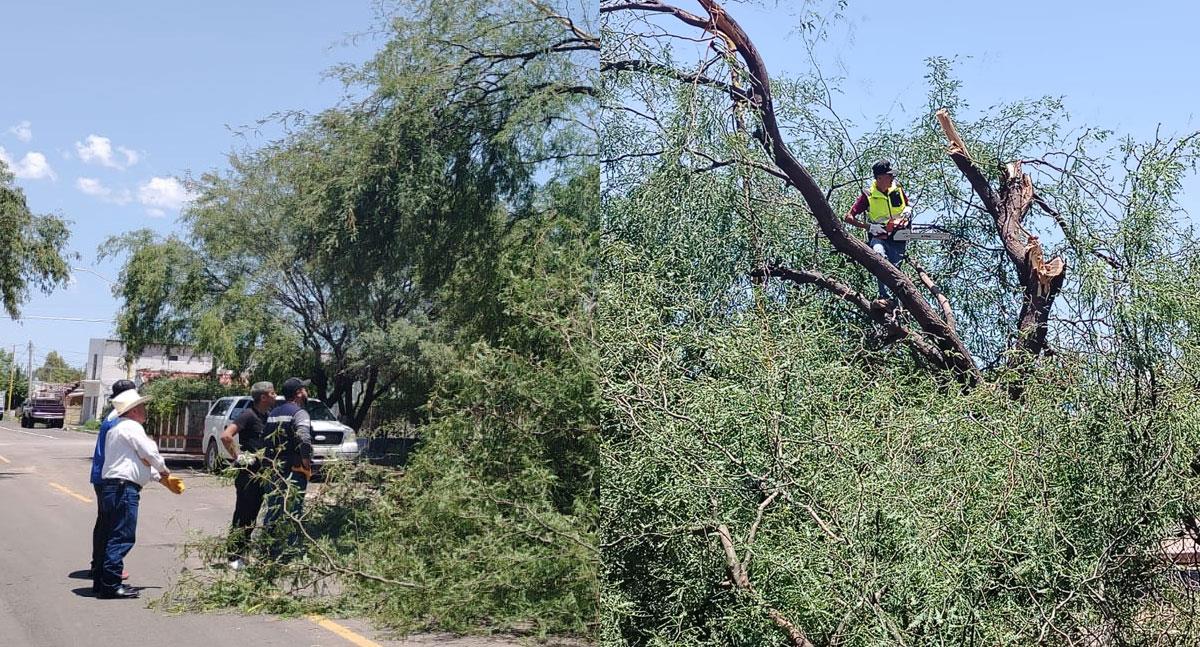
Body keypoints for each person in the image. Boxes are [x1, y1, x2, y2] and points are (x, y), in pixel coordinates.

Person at [95, 388, 171, 599]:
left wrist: (157, 475)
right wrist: (164, 470)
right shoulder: (132, 427)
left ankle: (101, 581)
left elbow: (136, 461)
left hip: (111, 486)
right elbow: (148, 453)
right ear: (134, 410)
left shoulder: (116, 430)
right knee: (121, 536)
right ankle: (111, 584)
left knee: (110, 534)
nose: (145, 411)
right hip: (124, 488)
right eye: (142, 407)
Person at [220, 380, 275, 569]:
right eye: (272, 393)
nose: (275, 396)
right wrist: (238, 456)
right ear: (263, 397)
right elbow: (226, 436)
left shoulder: (267, 415)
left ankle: (242, 553)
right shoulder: (248, 415)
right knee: (243, 514)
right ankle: (233, 555)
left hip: (262, 474)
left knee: (253, 515)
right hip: (248, 474)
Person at [843, 159, 913, 303]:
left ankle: (895, 303)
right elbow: (848, 217)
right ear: (879, 178)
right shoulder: (868, 195)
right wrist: (869, 227)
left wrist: (907, 211)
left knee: (895, 269)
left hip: (899, 236)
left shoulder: (897, 187)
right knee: (879, 257)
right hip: (879, 236)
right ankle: (883, 297)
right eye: (889, 175)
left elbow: (907, 204)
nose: (892, 178)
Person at [89, 379, 136, 587]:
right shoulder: (118, 418)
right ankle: (106, 568)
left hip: (102, 474)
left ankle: (98, 565)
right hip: (110, 477)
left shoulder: (112, 415)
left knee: (105, 522)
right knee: (114, 526)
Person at [261, 377, 314, 559]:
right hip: (294, 470)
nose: (307, 393)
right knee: (293, 510)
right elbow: (304, 438)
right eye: (304, 390)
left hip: (273, 469)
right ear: (299, 393)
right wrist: (306, 462)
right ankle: (289, 554)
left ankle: (267, 550)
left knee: (274, 509)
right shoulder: (300, 413)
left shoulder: (273, 413)